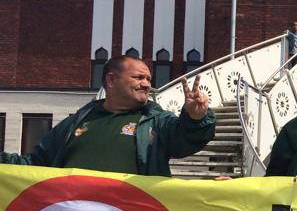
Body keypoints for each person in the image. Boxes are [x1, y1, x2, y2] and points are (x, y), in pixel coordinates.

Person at [0, 55, 214, 176]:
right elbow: (36, 164)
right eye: (139, 77)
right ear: (111, 81)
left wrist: (195, 118)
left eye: (149, 78)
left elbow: (185, 140)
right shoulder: (76, 122)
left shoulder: (155, 122)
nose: (147, 84)